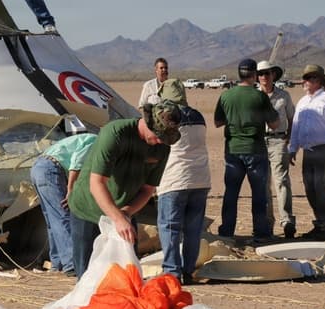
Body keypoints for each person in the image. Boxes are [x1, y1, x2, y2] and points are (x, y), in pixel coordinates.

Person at [68, 100, 181, 278]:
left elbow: (148, 189)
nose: (160, 141)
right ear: (147, 122)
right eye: (159, 135)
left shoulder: (161, 148)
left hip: (124, 213)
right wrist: (118, 218)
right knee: (88, 277)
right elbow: (96, 183)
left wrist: (126, 213)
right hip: (88, 211)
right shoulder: (115, 133)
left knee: (126, 275)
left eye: (165, 138)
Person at [213, 59, 279, 244]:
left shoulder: (226, 96)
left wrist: (235, 118)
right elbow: (275, 124)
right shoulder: (259, 97)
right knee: (259, 194)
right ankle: (261, 234)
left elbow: (217, 122)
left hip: (233, 150)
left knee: (231, 193)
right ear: (254, 74)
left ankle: (226, 232)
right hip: (256, 150)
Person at [155, 79, 210, 284]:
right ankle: (187, 270)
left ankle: (171, 272)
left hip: (174, 179)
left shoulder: (167, 115)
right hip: (200, 179)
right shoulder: (198, 115)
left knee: (169, 226)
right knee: (193, 230)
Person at [288, 65, 325, 241]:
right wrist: (292, 149)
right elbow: (296, 127)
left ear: (318, 81)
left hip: (323, 150)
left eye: (310, 78)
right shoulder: (303, 102)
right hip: (308, 152)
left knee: (322, 189)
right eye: (305, 78)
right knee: (310, 189)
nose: (306, 82)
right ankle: (320, 224)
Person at [30, 132, 98, 275]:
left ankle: (57, 263)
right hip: (50, 168)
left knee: (52, 219)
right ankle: (72, 264)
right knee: (63, 215)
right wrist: (71, 190)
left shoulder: (86, 139)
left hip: (38, 168)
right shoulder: (94, 140)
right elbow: (76, 164)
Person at [256, 60, 296, 239]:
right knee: (263, 184)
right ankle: (267, 224)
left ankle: (287, 221)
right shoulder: (253, 96)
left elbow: (291, 117)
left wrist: (289, 137)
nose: (264, 76)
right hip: (258, 142)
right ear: (257, 77)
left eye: (267, 73)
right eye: (261, 73)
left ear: (273, 75)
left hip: (278, 140)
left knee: (281, 180)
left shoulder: (283, 96)